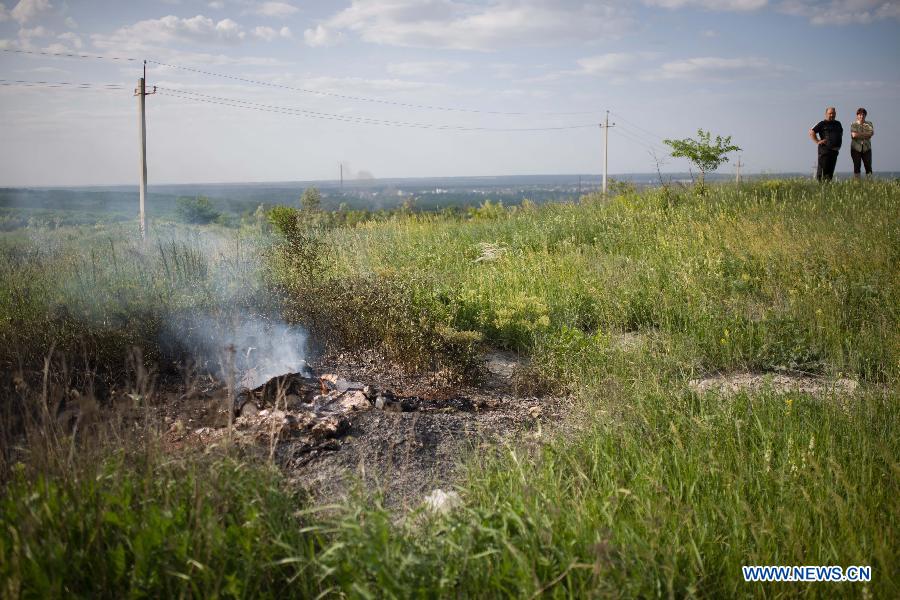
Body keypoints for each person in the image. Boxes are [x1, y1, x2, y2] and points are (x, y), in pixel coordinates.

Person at [809, 107, 843, 181]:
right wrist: (817, 141)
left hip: (834, 151)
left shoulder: (838, 123)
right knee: (822, 171)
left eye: (833, 113)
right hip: (825, 151)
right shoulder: (822, 123)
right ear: (826, 114)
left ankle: (827, 187)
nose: (832, 115)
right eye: (830, 113)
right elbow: (811, 132)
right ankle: (820, 187)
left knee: (830, 172)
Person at [850, 107, 874, 178]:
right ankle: (857, 184)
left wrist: (859, 134)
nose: (862, 116)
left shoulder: (869, 124)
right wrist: (866, 134)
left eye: (863, 115)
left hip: (867, 148)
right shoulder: (853, 124)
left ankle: (869, 183)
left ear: (865, 115)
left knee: (868, 167)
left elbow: (871, 134)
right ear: (857, 115)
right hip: (856, 149)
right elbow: (854, 135)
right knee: (857, 166)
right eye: (860, 115)